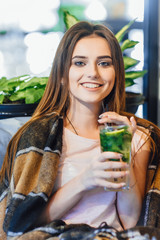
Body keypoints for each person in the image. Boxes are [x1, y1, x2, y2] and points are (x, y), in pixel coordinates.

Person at [0, 21, 160, 239]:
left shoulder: (136, 135)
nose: (93, 73)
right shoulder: (38, 136)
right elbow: (20, 223)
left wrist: (125, 155)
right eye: (79, 63)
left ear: (116, 72)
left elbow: (130, 220)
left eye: (104, 63)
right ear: (63, 75)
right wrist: (86, 180)